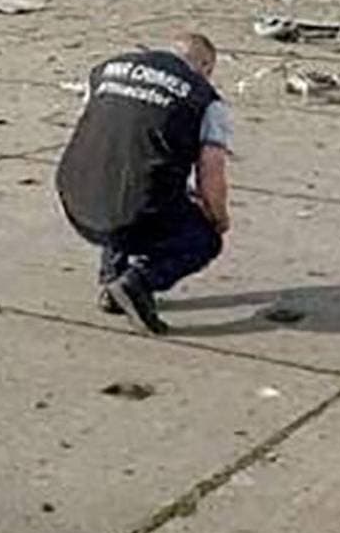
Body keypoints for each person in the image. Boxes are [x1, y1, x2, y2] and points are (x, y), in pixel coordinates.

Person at [55, 31, 231, 335]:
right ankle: (139, 282)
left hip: (75, 194)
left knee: (124, 184)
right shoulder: (203, 97)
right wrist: (218, 216)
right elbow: (211, 170)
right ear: (203, 66)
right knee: (202, 239)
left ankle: (112, 283)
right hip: (135, 206)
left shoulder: (107, 70)